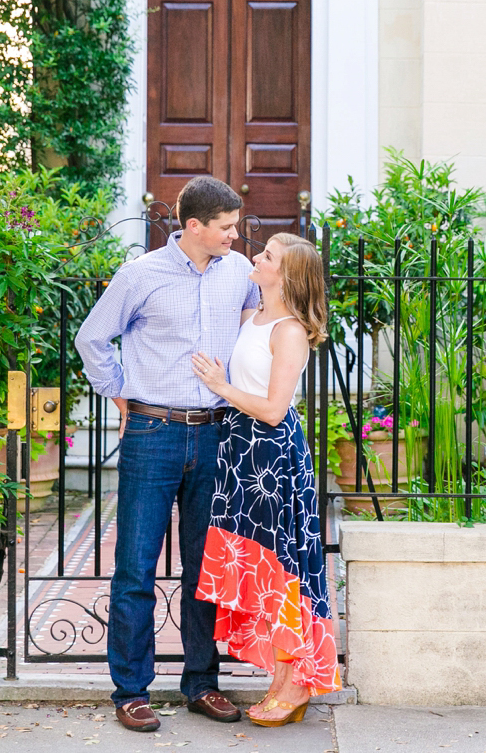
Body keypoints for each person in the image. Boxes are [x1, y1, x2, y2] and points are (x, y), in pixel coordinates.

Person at [74, 176, 258, 734]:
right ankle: (131, 691)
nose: (235, 235)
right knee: (135, 566)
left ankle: (201, 684)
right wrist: (120, 390)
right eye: (226, 227)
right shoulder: (141, 275)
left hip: (215, 435)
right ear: (194, 225)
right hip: (152, 433)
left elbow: (261, 327)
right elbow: (91, 338)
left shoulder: (241, 275)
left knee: (205, 568)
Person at [189, 232, 340, 727]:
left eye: (268, 256)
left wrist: (220, 386)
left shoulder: (290, 331)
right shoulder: (253, 317)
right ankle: (281, 678)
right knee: (265, 571)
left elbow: (275, 410)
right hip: (239, 451)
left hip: (270, 455)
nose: (257, 256)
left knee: (283, 571)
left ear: (288, 274)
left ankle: (296, 681)